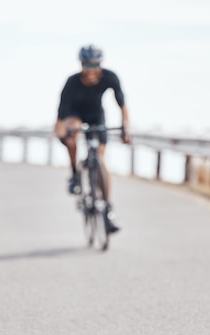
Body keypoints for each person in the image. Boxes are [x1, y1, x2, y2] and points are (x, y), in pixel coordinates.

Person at [54, 44, 131, 233]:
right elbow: (60, 117)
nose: (90, 70)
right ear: (81, 65)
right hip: (74, 115)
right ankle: (74, 173)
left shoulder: (110, 77)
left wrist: (125, 128)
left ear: (100, 64)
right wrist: (63, 134)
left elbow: (122, 104)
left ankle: (107, 207)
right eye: (86, 65)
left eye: (94, 65)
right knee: (73, 132)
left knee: (101, 158)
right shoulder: (72, 82)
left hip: (97, 116)